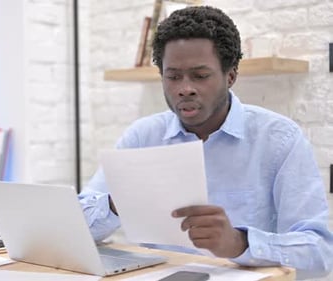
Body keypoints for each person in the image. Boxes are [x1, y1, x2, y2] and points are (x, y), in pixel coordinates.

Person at [78, 6, 333, 280]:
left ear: (231, 75)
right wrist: (119, 202)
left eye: (200, 76)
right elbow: (75, 229)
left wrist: (240, 243)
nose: (184, 87)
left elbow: (320, 252)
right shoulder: (143, 136)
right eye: (173, 76)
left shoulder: (280, 140)